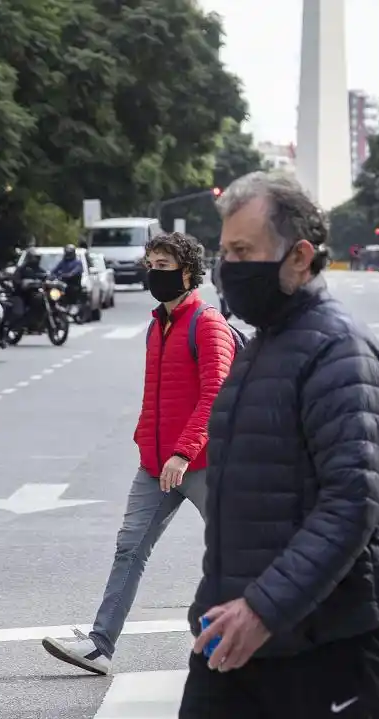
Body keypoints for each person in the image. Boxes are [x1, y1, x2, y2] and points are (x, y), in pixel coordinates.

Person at [177, 172, 379, 719]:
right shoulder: (262, 345)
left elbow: (352, 501)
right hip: (236, 640)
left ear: (299, 258)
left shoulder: (339, 351)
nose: (227, 268)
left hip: (324, 648)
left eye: (242, 251)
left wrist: (262, 609)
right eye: (224, 251)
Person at [41, 232, 237, 675]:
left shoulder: (206, 323)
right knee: (129, 550)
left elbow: (216, 396)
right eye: (150, 265)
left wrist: (184, 452)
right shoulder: (157, 324)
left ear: (187, 272)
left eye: (163, 266)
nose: (153, 273)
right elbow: (157, 395)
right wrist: (147, 441)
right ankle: (99, 644)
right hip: (156, 464)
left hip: (205, 464)